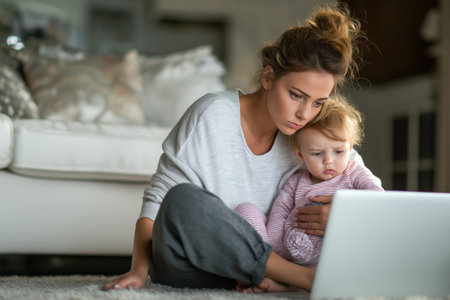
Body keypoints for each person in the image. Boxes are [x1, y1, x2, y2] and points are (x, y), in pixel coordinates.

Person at [103, 2, 365, 293]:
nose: (305, 113)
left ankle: (276, 279)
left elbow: (370, 193)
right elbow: (158, 200)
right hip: (198, 266)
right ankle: (301, 280)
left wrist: (344, 215)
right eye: (296, 95)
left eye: (318, 102)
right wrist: (138, 271)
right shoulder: (211, 114)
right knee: (182, 201)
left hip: (260, 273)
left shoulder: (313, 135)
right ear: (268, 78)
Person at [234, 98, 384, 273]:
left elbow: (378, 198)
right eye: (317, 153)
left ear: (350, 148)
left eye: (338, 151)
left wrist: (344, 208)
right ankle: (276, 270)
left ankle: (288, 280)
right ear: (300, 155)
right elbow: (279, 212)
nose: (328, 161)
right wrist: (275, 250)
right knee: (246, 210)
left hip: (336, 256)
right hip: (289, 255)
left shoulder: (353, 173)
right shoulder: (296, 181)